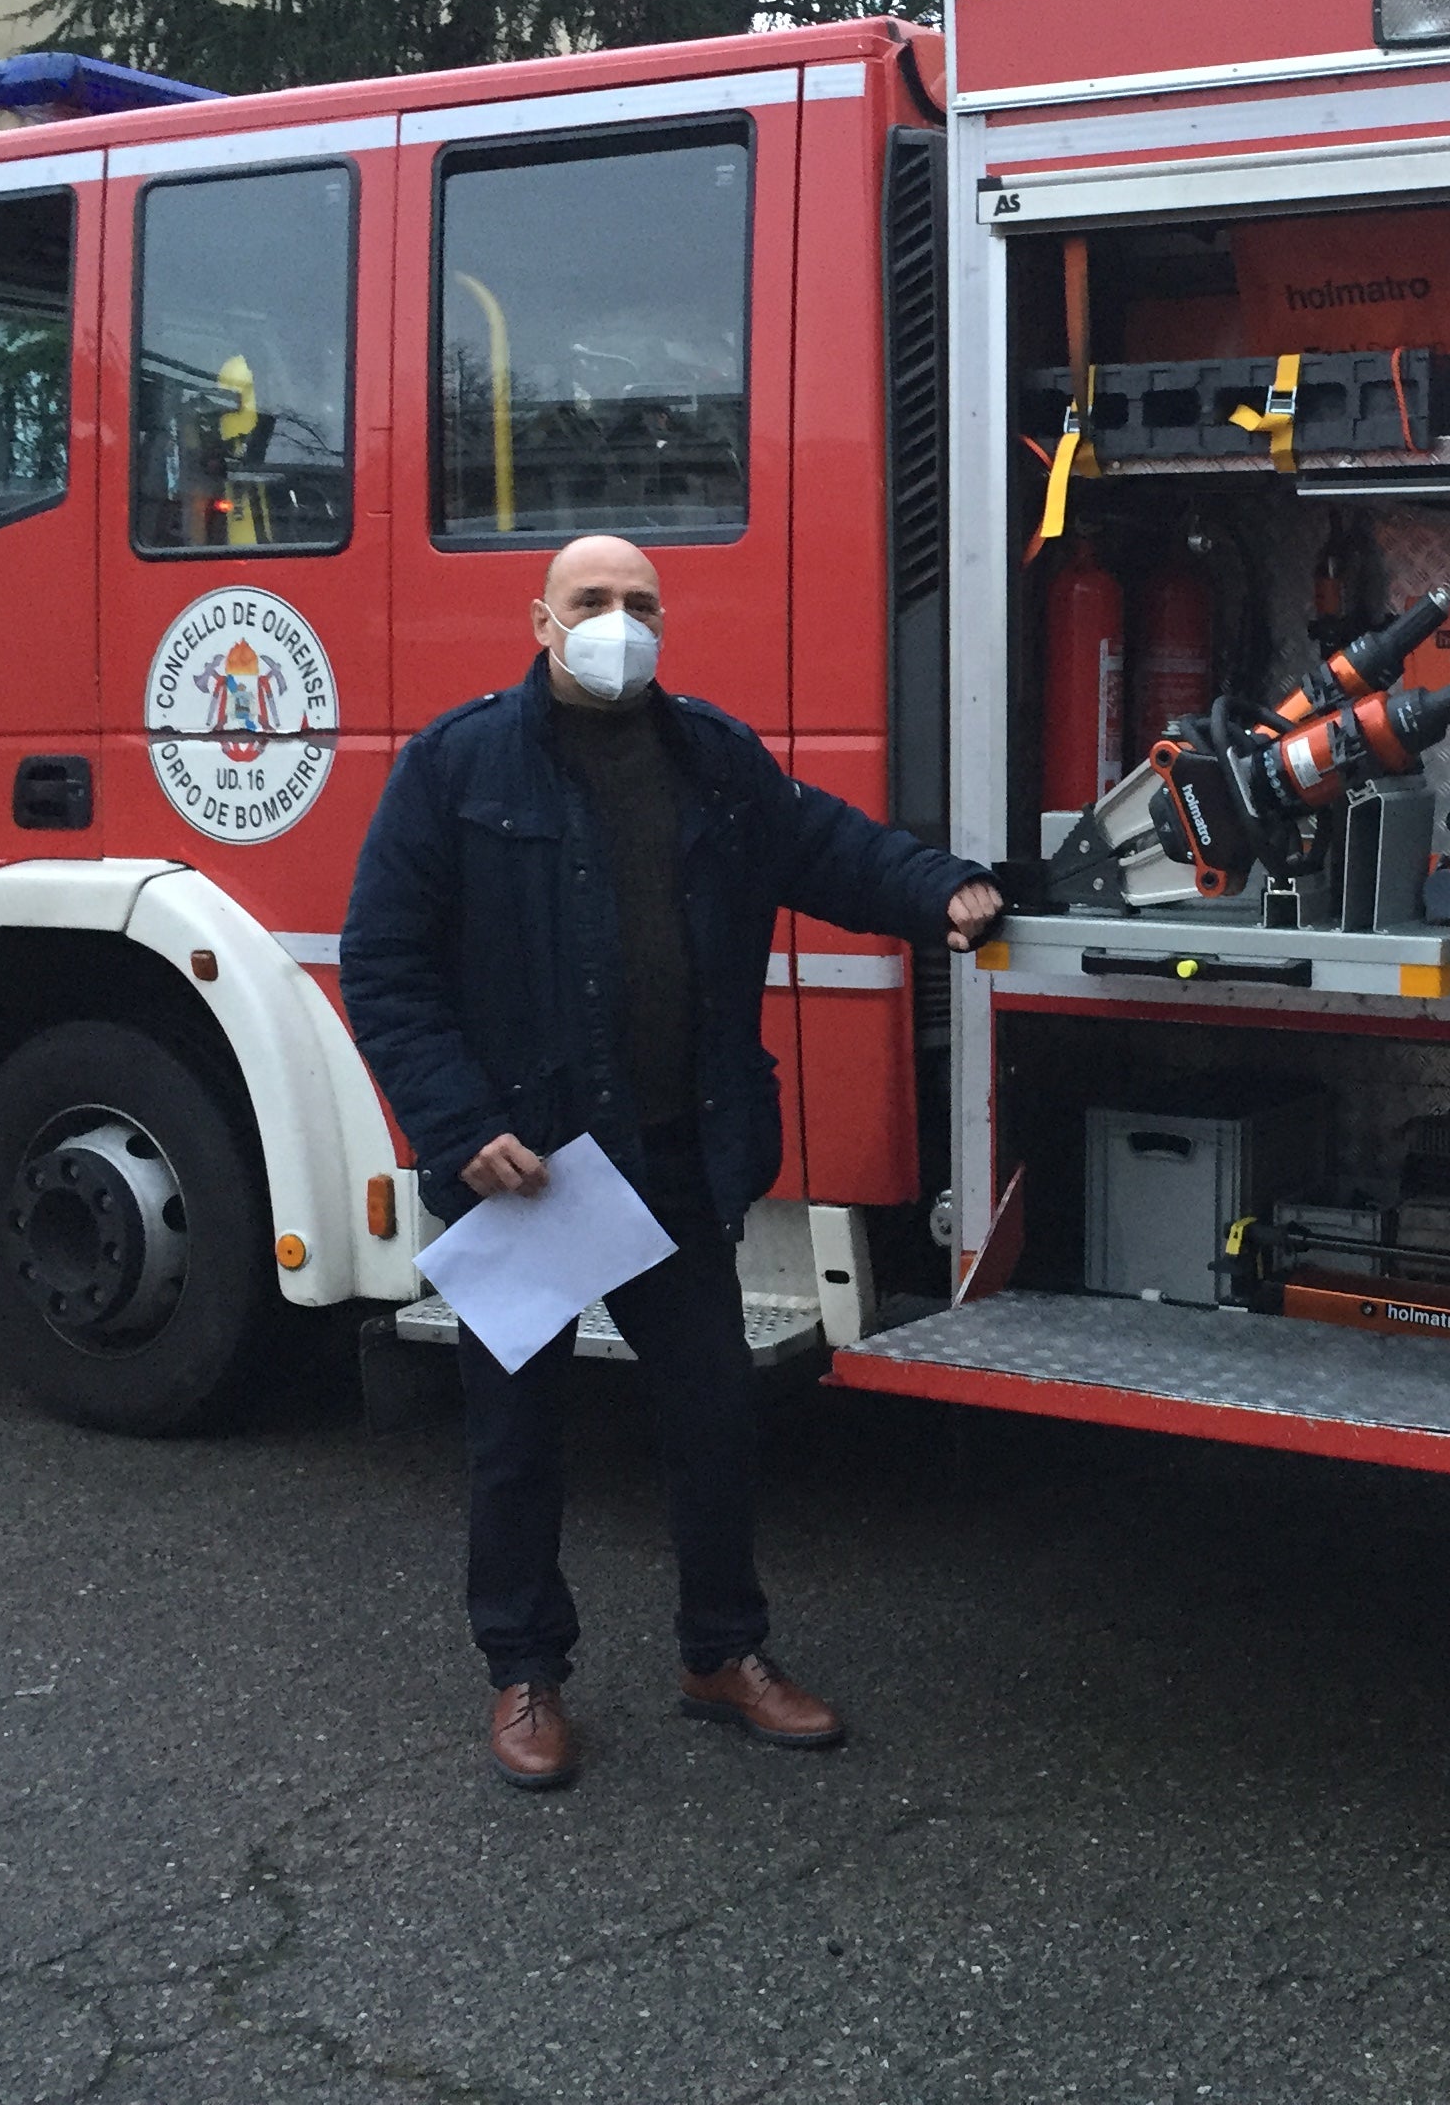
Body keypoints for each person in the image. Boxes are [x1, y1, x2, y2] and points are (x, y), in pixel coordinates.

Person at [344, 533, 1002, 1792]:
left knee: (712, 1418)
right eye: (592, 601)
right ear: (541, 620)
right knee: (517, 1441)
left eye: (640, 603)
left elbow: (833, 850)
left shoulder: (714, 760)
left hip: (672, 1157)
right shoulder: (457, 765)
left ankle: (724, 1656)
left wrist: (943, 891)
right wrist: (458, 1121)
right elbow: (385, 961)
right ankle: (524, 1675)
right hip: (530, 1169)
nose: (619, 622)